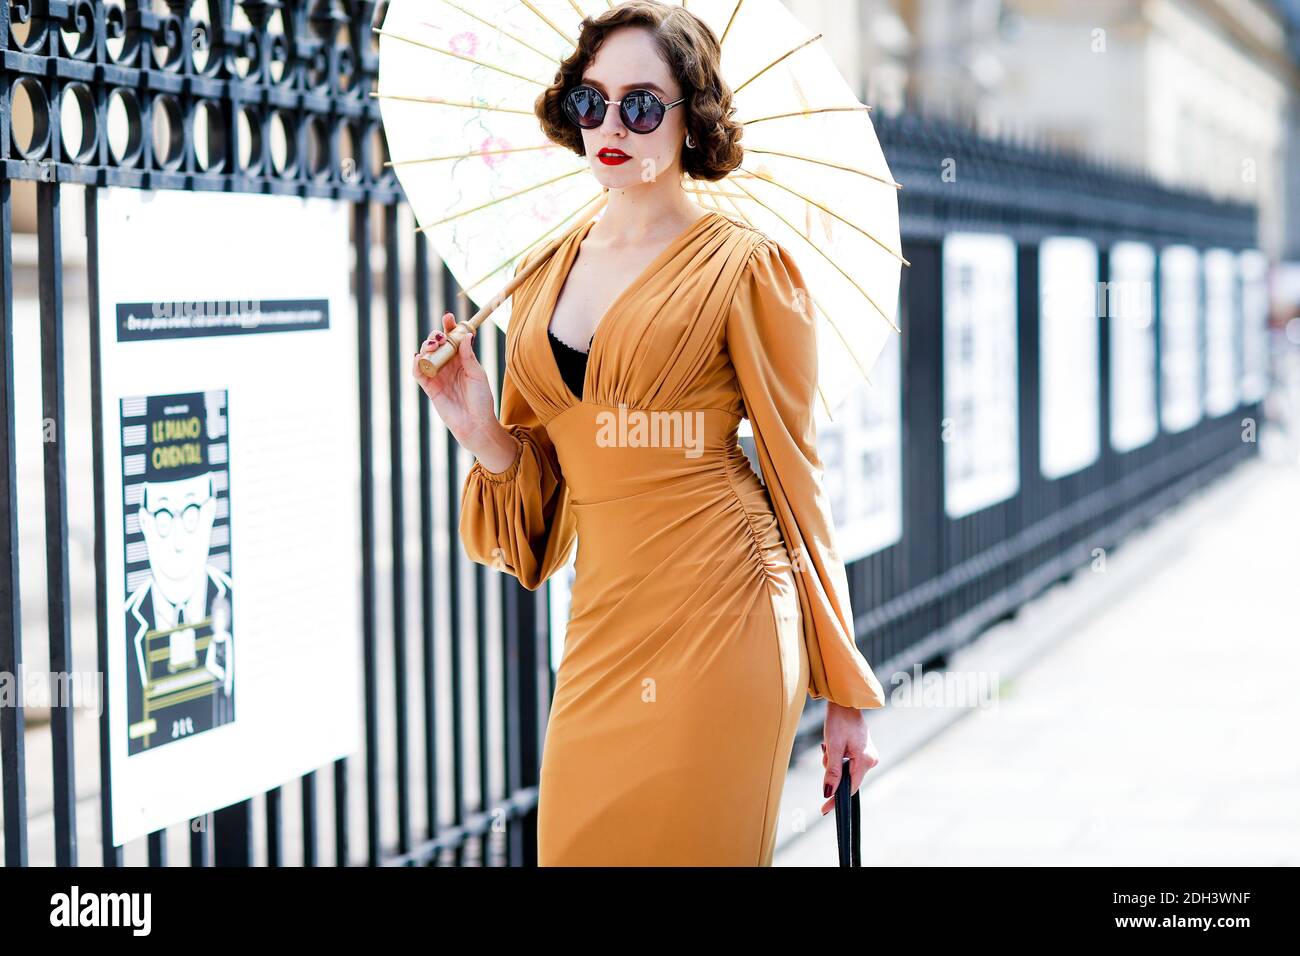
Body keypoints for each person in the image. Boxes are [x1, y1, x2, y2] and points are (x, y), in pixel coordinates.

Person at [411, 1, 885, 866]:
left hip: (726, 615)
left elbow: (795, 475)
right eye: (591, 102)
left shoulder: (746, 265)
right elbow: (540, 513)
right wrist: (480, 429)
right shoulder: (539, 270)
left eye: (640, 104)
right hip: (600, 625)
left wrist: (843, 691)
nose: (610, 127)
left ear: (691, 117)